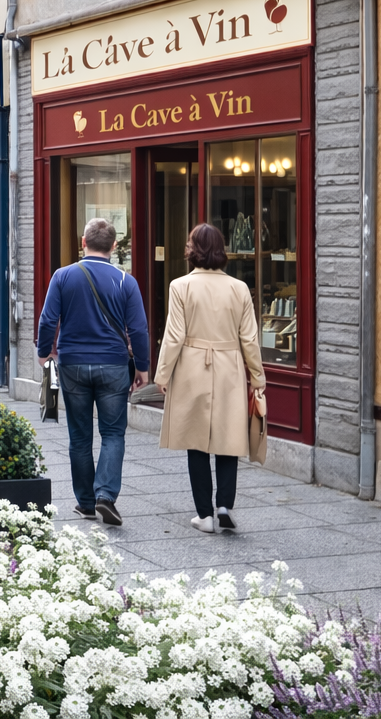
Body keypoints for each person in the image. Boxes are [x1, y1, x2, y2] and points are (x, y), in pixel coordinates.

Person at [35, 217, 150, 526]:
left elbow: (47, 320)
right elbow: (139, 330)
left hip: (72, 365)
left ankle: (86, 503)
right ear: (114, 246)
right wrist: (142, 368)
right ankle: (106, 497)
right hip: (113, 365)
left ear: (82, 242)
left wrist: (44, 352)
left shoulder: (62, 276)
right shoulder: (126, 281)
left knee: (80, 436)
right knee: (113, 433)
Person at [154, 223, 266, 533]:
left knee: (196, 442)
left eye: (189, 243)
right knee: (229, 440)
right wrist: (257, 376)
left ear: (193, 250)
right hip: (229, 366)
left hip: (192, 366)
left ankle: (204, 515)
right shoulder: (239, 288)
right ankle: (224, 506)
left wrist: (162, 374)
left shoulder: (180, 286)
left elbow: (174, 336)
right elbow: (250, 339)